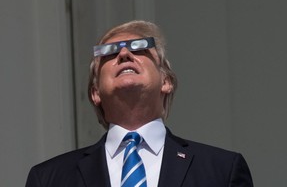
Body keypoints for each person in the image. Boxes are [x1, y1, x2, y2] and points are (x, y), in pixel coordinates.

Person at [26, 20, 253, 187]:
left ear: (166, 81)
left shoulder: (221, 171)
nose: (124, 53)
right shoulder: (49, 178)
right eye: (109, 52)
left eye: (140, 48)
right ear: (95, 92)